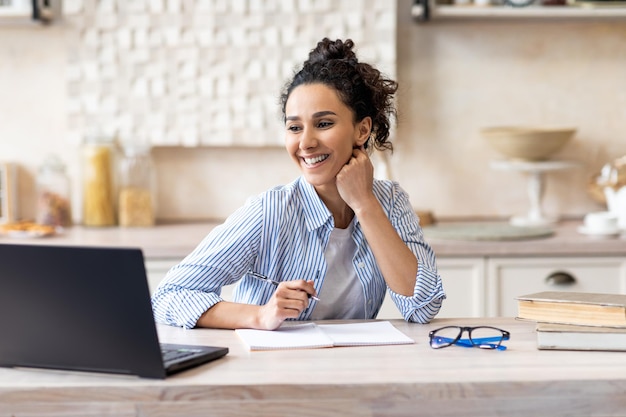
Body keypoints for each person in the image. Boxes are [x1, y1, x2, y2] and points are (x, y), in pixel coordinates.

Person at [152, 38, 445, 330]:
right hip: (273, 371)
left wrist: (365, 204)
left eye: (324, 123)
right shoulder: (270, 212)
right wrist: (259, 315)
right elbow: (169, 296)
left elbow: (423, 306)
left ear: (362, 129)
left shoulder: (390, 202)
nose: (305, 143)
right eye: (294, 128)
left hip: (354, 369)